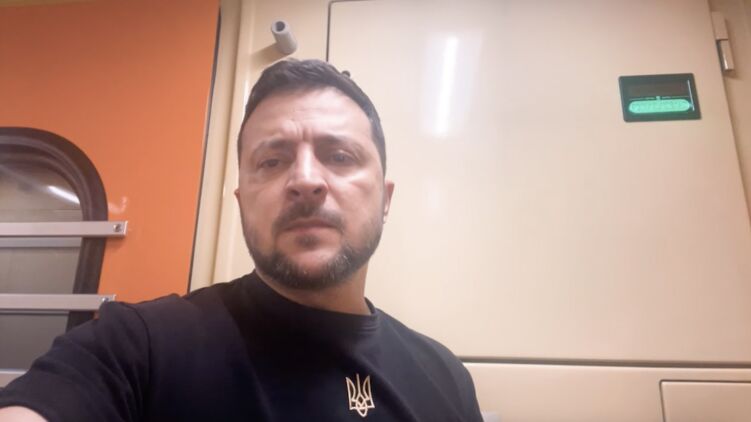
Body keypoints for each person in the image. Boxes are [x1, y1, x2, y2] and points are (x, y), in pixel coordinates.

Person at [0, 59, 483, 421]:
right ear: (242, 201)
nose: (305, 180)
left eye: (339, 156)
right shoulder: (137, 348)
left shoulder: (446, 377)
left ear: (385, 199)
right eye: (272, 161)